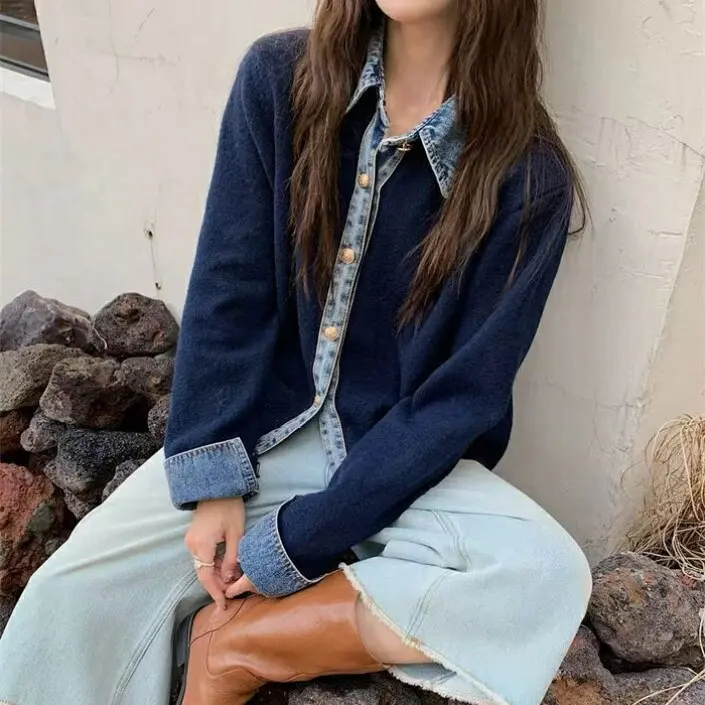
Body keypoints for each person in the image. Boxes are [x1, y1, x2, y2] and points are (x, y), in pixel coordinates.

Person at [0, 1, 593, 704]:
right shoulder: (280, 79)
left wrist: (301, 540)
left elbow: (459, 400)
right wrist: (214, 475)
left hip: (399, 468)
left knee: (544, 574)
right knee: (65, 603)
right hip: (258, 438)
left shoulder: (526, 177)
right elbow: (229, 286)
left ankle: (236, 648)